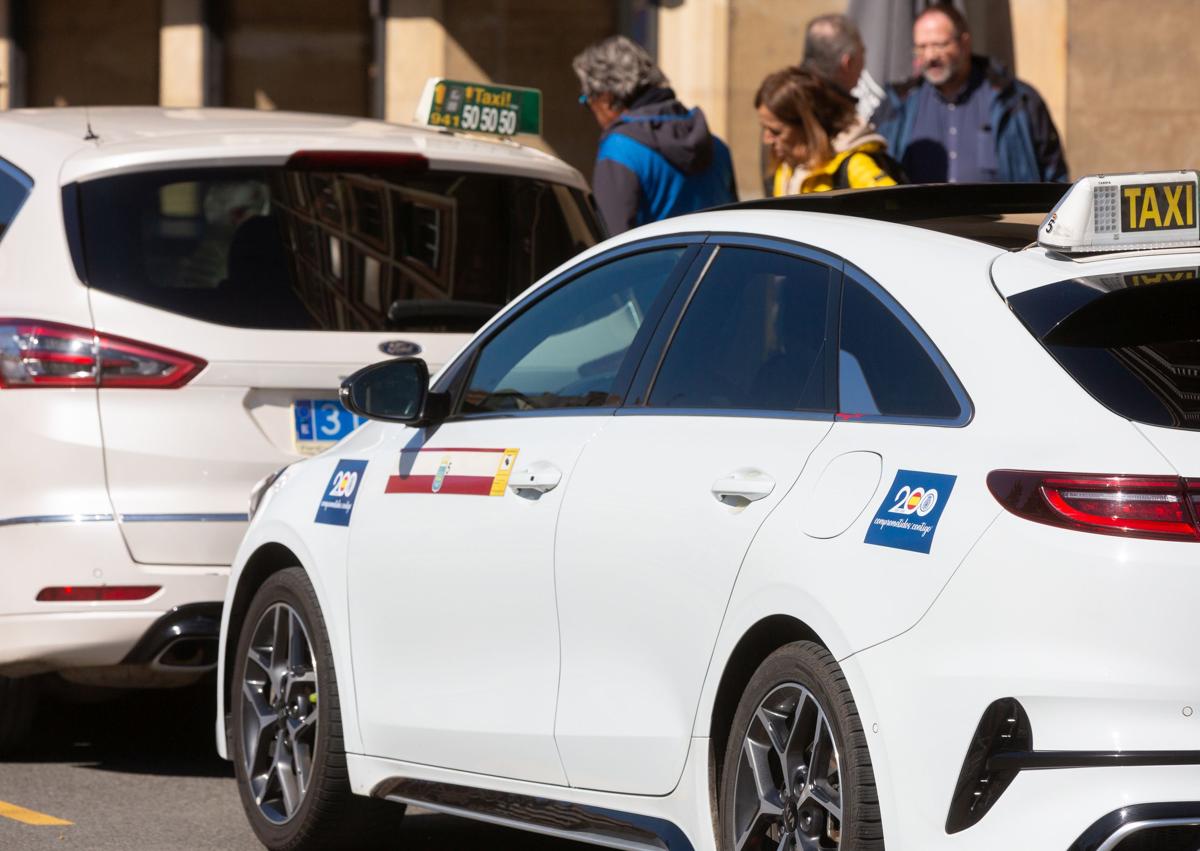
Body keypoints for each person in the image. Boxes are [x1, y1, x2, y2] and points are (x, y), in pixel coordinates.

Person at [871, 2, 1068, 184]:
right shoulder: (896, 106)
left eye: (939, 45)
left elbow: (1054, 179)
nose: (930, 56)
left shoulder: (1018, 101)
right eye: (922, 47)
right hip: (914, 222)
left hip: (1006, 221)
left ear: (964, 43)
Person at [572, 35, 736, 235]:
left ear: (606, 98)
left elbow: (611, 244)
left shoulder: (619, 150)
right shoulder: (718, 147)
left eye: (586, 100)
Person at [756, 66, 903, 195]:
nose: (766, 139)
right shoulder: (785, 170)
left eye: (775, 131)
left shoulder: (856, 166)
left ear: (808, 127)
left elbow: (898, 217)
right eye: (764, 129)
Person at [802, 13, 883, 123]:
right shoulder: (831, 119)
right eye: (862, 53)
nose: (863, 65)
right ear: (847, 63)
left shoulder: (784, 94)